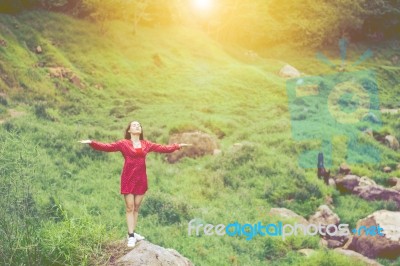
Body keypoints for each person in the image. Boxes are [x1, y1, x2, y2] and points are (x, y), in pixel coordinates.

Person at [79, 121, 192, 248]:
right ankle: (131, 236)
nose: (137, 126)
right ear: (129, 131)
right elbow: (107, 147)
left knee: (136, 207)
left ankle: (132, 232)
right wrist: (92, 143)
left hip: (141, 179)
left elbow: (163, 148)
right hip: (128, 178)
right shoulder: (123, 143)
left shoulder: (146, 144)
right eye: (134, 125)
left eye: (139, 125)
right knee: (129, 207)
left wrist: (177, 146)